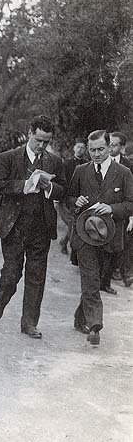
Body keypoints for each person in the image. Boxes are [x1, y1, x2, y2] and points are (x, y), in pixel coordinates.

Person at [0, 115, 66, 339]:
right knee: (12, 274)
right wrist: (23, 185)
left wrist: (49, 186)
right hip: (14, 227)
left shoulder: (54, 162)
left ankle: (29, 323)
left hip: (41, 227)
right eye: (38, 140)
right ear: (30, 133)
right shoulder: (8, 158)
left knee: (36, 277)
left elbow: (63, 189)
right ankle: (3, 299)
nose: (41, 145)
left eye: (46, 141)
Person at [67, 130, 133, 345]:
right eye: (92, 150)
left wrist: (111, 208)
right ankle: (95, 325)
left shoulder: (123, 173)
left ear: (108, 147)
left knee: (95, 280)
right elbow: (68, 197)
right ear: (88, 149)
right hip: (84, 236)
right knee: (91, 278)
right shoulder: (80, 171)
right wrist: (75, 202)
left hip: (110, 238)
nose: (96, 154)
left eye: (100, 150)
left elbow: (130, 204)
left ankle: (81, 317)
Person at [108, 132, 133, 289]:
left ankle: (127, 274)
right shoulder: (99, 161)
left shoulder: (129, 165)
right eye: (109, 144)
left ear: (122, 147)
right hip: (103, 210)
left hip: (122, 210)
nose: (110, 148)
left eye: (114, 145)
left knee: (124, 241)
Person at [58, 138, 88, 255]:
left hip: (79, 200)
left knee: (76, 222)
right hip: (65, 199)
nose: (80, 150)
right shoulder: (67, 164)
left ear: (85, 149)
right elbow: (61, 182)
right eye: (78, 147)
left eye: (83, 147)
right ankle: (74, 250)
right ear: (74, 148)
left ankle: (64, 242)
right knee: (72, 223)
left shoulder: (87, 164)